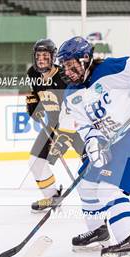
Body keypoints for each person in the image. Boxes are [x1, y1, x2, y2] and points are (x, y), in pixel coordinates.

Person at [54, 36, 130, 257]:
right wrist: (93, 142)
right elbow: (84, 125)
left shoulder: (110, 69)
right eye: (64, 66)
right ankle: (99, 233)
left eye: (71, 64)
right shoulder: (71, 94)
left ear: (85, 59)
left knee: (106, 189)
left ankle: (129, 240)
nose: (67, 70)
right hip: (109, 142)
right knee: (86, 184)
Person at [26, 38, 84, 213]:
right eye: (38, 56)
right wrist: (33, 105)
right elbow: (35, 95)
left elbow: (77, 102)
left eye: (45, 55)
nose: (41, 59)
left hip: (75, 124)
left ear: (53, 57)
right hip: (53, 124)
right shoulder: (33, 74)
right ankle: (52, 196)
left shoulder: (64, 76)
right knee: (35, 161)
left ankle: (105, 197)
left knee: (92, 160)